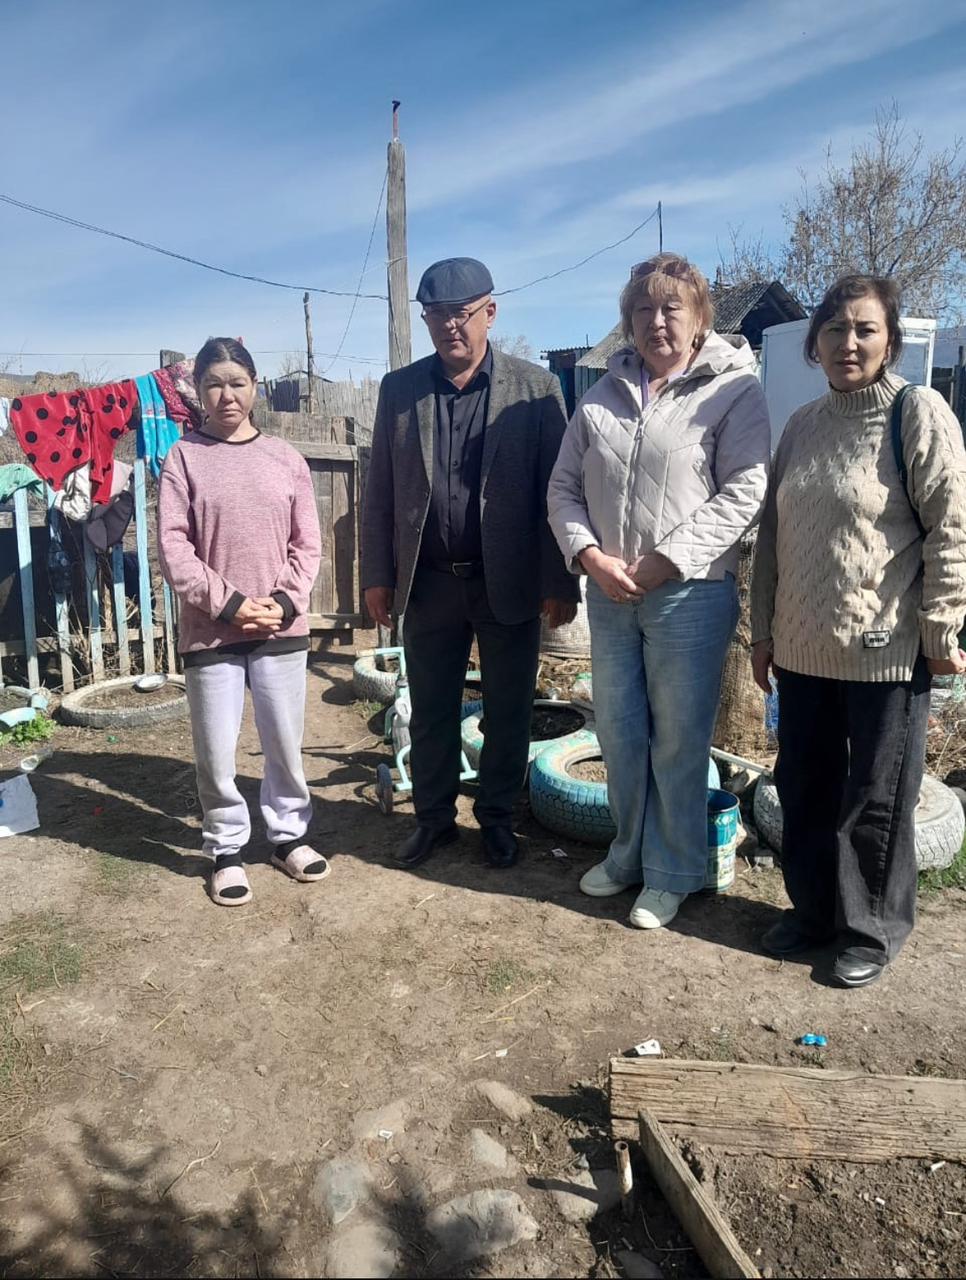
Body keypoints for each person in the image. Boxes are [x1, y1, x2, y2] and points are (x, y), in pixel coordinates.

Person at [750, 275, 966, 987]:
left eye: (865, 329)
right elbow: (773, 536)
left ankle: (870, 930)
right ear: (815, 343)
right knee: (804, 788)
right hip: (802, 649)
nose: (849, 342)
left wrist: (942, 625)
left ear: (890, 340)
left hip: (885, 650)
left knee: (875, 800)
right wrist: (762, 631)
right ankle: (814, 913)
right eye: (835, 329)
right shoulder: (802, 425)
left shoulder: (916, 413)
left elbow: (952, 528)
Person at [548, 253, 770, 929]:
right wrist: (589, 555)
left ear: (700, 319)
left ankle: (672, 871)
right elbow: (562, 488)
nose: (657, 321)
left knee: (677, 739)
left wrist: (667, 560)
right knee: (618, 731)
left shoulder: (733, 390)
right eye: (642, 309)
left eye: (672, 307)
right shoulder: (600, 397)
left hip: (689, 595)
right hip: (611, 593)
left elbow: (746, 490)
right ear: (628, 322)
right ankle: (627, 855)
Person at [361, 257, 580, 870]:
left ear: (490, 312)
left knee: (509, 709)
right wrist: (377, 575)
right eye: (435, 315)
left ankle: (498, 820)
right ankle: (433, 820)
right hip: (429, 582)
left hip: (507, 579)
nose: (449, 326)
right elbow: (379, 490)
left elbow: (557, 491)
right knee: (431, 710)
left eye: (461, 313)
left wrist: (560, 580)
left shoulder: (536, 389)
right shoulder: (400, 390)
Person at [158, 338, 325, 907]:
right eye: (214, 384)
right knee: (216, 748)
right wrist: (228, 604)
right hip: (212, 630)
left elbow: (308, 543)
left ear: (255, 387)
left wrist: (285, 601)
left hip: (280, 627)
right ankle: (226, 850)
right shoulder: (183, 458)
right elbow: (173, 549)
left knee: (284, 741)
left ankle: (288, 836)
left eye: (236, 383)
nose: (226, 395)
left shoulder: (286, 458)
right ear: (198, 391)